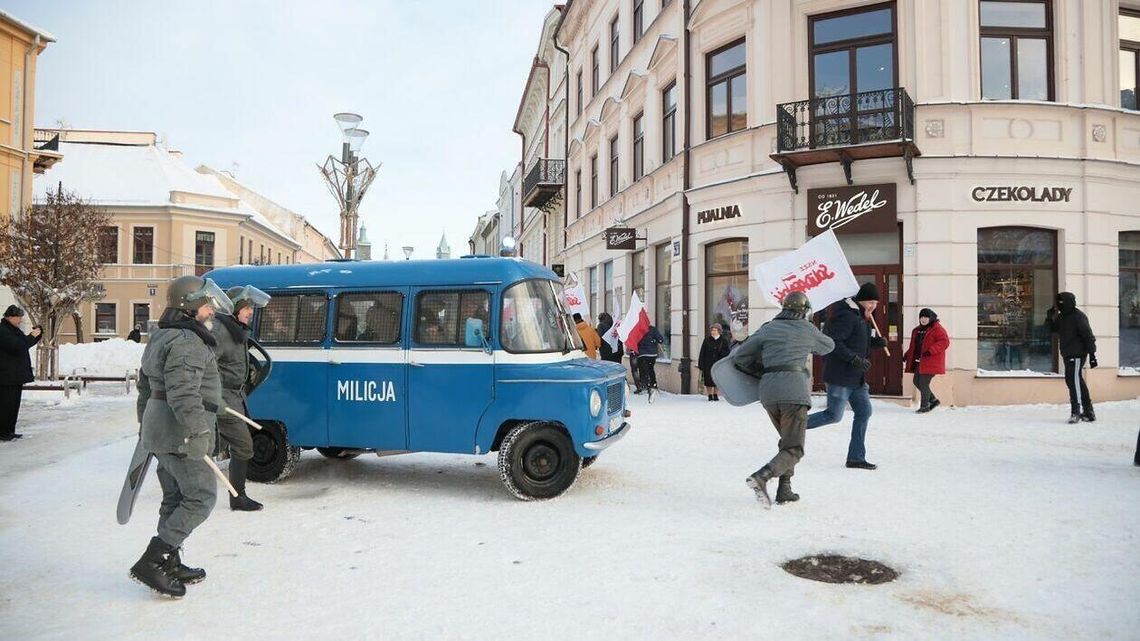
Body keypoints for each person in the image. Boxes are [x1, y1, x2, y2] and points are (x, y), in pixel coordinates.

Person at [131, 275, 232, 597]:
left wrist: (145, 425)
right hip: (179, 433)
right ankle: (153, 560)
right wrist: (198, 430)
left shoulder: (163, 336)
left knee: (175, 497)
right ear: (190, 307)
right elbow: (183, 393)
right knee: (201, 497)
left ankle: (169, 561)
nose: (211, 310)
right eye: (206, 305)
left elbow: (146, 387)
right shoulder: (188, 342)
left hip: (161, 427)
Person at [735, 292, 835, 506]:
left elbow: (740, 357)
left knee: (786, 442)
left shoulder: (768, 328)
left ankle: (784, 489)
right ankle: (762, 476)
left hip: (769, 393)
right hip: (794, 392)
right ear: (804, 310)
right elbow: (829, 346)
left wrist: (762, 370)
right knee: (794, 448)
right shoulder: (807, 328)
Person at [806, 282, 887, 470]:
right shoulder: (847, 316)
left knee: (864, 412)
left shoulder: (862, 318)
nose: (873, 306)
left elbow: (858, 342)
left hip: (856, 378)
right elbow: (834, 342)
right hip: (840, 376)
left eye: (875, 302)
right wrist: (854, 359)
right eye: (870, 302)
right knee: (833, 415)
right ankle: (794, 427)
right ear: (860, 300)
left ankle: (856, 458)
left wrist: (875, 342)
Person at [212, 285, 271, 512]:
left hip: (236, 395)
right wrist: (217, 398)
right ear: (235, 308)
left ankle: (237, 495)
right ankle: (238, 497)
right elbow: (208, 366)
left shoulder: (236, 330)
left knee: (218, 445)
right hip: (224, 397)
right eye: (247, 308)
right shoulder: (220, 330)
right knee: (243, 445)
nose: (251, 313)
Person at [1046, 292, 1097, 423]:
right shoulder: (1062, 317)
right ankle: (1089, 411)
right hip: (1068, 354)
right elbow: (1052, 330)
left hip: (1077, 354)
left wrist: (1092, 355)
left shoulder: (1078, 317)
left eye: (1062, 302)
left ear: (1069, 302)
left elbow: (1088, 336)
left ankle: (1076, 412)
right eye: (1059, 303)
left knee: (1073, 382)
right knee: (1076, 381)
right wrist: (1049, 317)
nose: (1060, 305)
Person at [0, 305, 42, 442]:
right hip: (6, 376)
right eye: (18, 318)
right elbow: (17, 346)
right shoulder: (3, 331)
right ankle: (3, 432)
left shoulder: (12, 329)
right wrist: (31, 336)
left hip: (15, 375)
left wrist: (37, 335)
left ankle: (9, 430)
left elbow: (24, 343)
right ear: (10, 317)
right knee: (6, 405)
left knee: (13, 405)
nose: (20, 320)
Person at [902, 308, 951, 413]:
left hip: (931, 361)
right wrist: (907, 355)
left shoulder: (937, 329)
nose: (923, 319)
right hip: (920, 361)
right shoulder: (917, 330)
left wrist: (931, 350)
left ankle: (924, 406)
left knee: (923, 383)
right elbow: (915, 346)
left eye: (926, 317)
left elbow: (944, 342)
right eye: (921, 317)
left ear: (931, 318)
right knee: (916, 381)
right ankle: (933, 400)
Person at [697, 323, 731, 401]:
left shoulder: (723, 340)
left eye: (715, 330)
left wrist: (722, 354)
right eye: (712, 330)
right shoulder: (707, 340)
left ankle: (716, 394)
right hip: (708, 363)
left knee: (717, 379)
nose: (713, 332)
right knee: (708, 380)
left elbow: (727, 352)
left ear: (719, 331)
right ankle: (709, 395)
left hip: (718, 364)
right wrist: (701, 364)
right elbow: (702, 352)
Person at [636, 325, 666, 401]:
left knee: (643, 370)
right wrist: (654, 341)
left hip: (642, 354)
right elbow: (660, 340)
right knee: (650, 369)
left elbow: (634, 341)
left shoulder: (637, 329)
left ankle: (645, 386)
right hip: (652, 354)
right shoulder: (652, 329)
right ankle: (653, 385)